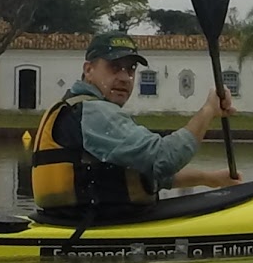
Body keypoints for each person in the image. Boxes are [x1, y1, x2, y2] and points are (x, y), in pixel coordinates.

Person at [30, 31, 242, 218]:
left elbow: (152, 173)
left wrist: (210, 179)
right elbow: (163, 158)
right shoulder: (95, 112)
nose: (125, 77)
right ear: (89, 70)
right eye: (114, 67)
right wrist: (208, 111)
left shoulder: (75, 107)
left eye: (130, 69)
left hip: (74, 221)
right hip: (91, 227)